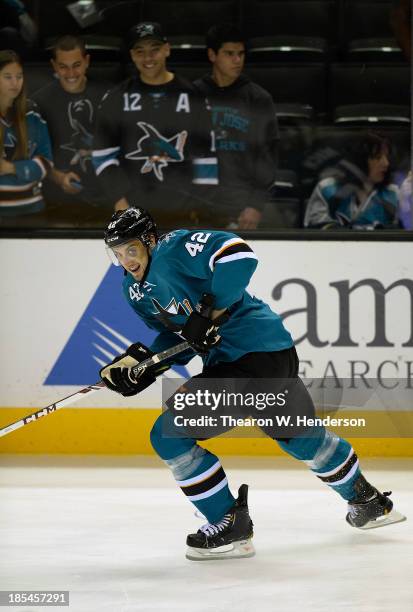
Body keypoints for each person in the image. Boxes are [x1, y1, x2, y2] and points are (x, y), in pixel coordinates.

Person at [99, 206, 404, 561]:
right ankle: (367, 502)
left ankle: (230, 524)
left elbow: (239, 255)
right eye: (117, 254)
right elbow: (181, 339)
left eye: (131, 250)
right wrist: (142, 364)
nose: (126, 261)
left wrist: (209, 313)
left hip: (248, 359)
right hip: (269, 355)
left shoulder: (176, 248)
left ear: (150, 240)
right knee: (299, 435)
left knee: (169, 434)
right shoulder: (133, 290)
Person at [92, 22, 218, 224]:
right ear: (132, 55)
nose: (148, 58)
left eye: (155, 49)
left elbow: (206, 157)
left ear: (167, 49)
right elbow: (102, 156)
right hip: (132, 214)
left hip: (182, 214)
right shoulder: (116, 98)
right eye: (140, 51)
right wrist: (119, 200)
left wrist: (200, 205)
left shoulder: (193, 96)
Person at [194, 24, 279, 230]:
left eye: (241, 54)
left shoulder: (258, 99)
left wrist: (255, 205)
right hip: (198, 205)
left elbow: (268, 156)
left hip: (242, 207)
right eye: (229, 54)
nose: (237, 60)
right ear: (212, 55)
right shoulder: (192, 95)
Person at [32, 35, 110, 213]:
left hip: (106, 195)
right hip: (57, 199)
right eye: (63, 67)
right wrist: (57, 177)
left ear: (86, 61)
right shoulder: (39, 102)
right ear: (54, 66)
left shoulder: (108, 94)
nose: (71, 74)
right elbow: (31, 153)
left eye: (76, 65)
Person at [304, 132, 400, 230]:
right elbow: (315, 227)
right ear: (360, 161)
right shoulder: (326, 189)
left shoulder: (393, 194)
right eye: (378, 157)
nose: (386, 163)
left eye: (387, 157)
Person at [0, 49, 52, 215]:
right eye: (8, 77)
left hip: (31, 209)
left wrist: (11, 168)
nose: (15, 83)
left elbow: (46, 163)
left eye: (19, 76)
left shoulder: (32, 112)